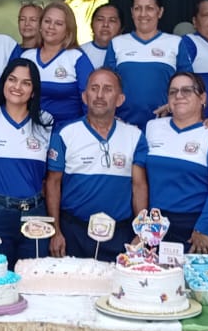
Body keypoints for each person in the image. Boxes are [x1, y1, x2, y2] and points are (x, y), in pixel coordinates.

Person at [45, 68, 148, 261]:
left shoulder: (135, 136)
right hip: (73, 232)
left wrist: (141, 233)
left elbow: (139, 186)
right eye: (94, 88)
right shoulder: (65, 133)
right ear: (84, 97)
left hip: (119, 234)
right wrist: (55, 231)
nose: (100, 95)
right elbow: (53, 183)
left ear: (120, 99)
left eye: (108, 89)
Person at [133, 72, 208, 252]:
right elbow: (139, 175)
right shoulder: (152, 127)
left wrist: (203, 228)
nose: (179, 96)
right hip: (156, 225)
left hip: (196, 228)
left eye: (187, 90)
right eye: (173, 92)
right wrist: (142, 225)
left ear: (202, 98)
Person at [0, 59, 54, 260]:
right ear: (3, 83)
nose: (17, 87)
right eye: (12, 79)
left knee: (33, 275)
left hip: (35, 214)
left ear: (33, 91)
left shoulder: (46, 122)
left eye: (26, 83)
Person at [110, 0, 182, 129]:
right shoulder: (117, 43)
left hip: (165, 124)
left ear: (160, 12)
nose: (143, 14)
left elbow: (189, 84)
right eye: (138, 8)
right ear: (132, 12)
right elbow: (107, 83)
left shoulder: (176, 43)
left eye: (149, 8)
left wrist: (171, 105)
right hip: (123, 124)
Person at [13, 1, 94, 124]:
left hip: (69, 129)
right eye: (47, 21)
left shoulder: (76, 57)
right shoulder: (26, 57)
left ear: (68, 30)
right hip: (31, 129)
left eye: (58, 23)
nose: (51, 26)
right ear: (40, 26)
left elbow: (91, 99)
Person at [80, 3, 120, 70]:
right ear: (91, 24)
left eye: (112, 20)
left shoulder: (127, 53)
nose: (105, 25)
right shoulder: (79, 52)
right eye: (100, 19)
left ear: (121, 28)